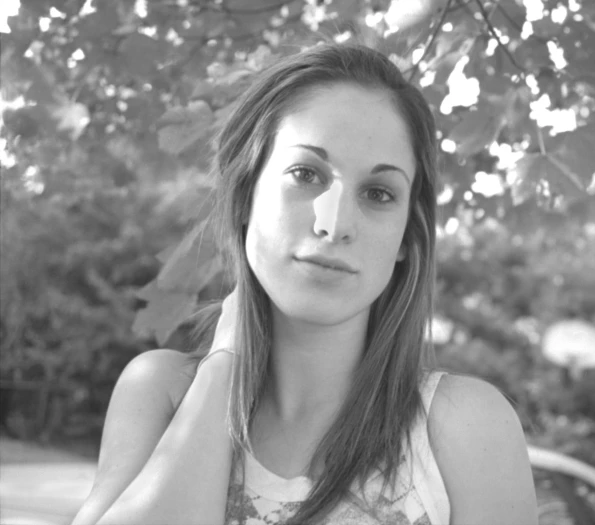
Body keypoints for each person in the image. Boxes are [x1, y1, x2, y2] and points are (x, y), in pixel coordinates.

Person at [72, 42, 537, 525]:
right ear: (245, 196)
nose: (334, 225)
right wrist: (223, 367)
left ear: (406, 236)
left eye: (378, 193)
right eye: (305, 173)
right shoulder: (162, 392)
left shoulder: (464, 426)